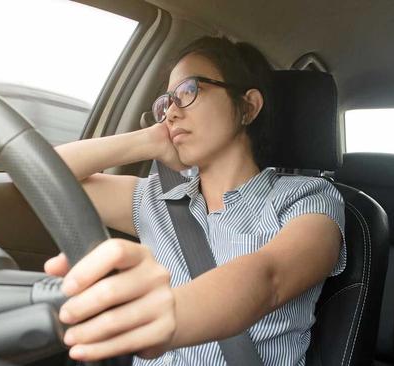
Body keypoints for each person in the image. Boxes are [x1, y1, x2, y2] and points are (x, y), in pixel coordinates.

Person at [44, 36, 346, 366]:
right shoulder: (155, 200)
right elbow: (41, 178)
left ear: (248, 106)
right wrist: (148, 140)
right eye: (167, 102)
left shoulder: (308, 198)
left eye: (189, 91)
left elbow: (269, 278)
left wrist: (162, 314)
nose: (171, 112)